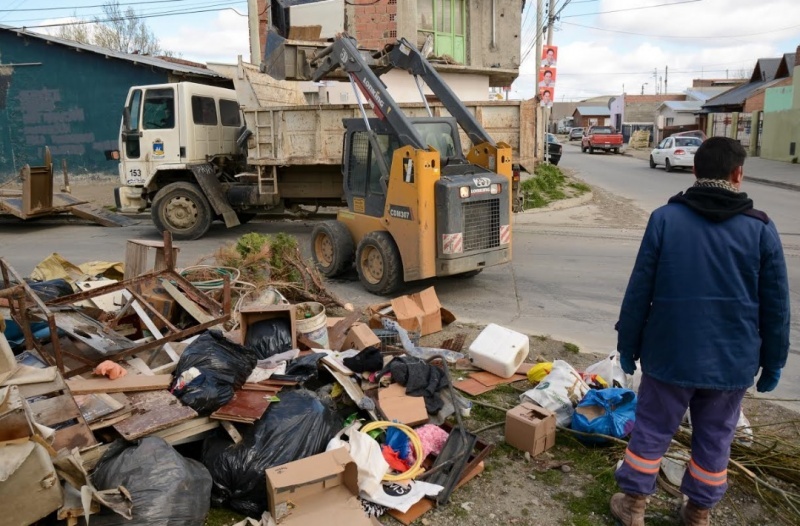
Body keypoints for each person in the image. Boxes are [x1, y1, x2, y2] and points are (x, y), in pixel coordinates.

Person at [611, 137, 790, 526]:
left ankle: (634, 506)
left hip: (670, 353)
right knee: (715, 438)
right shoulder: (761, 229)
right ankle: (698, 513)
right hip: (732, 361)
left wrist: (628, 343)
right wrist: (773, 362)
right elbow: (776, 306)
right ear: (738, 174)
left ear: (695, 171)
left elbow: (640, 288)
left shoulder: (665, 219)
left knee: (653, 429)